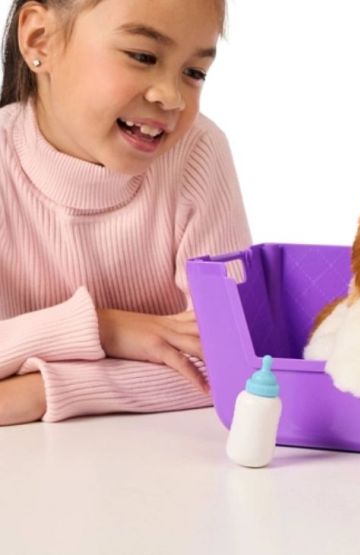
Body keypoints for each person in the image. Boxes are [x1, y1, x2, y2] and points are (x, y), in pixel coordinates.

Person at [0, 0, 251, 425]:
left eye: (194, 72)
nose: (170, 96)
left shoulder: (198, 154)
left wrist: (44, 390)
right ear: (39, 39)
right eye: (143, 56)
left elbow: (235, 360)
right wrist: (105, 329)